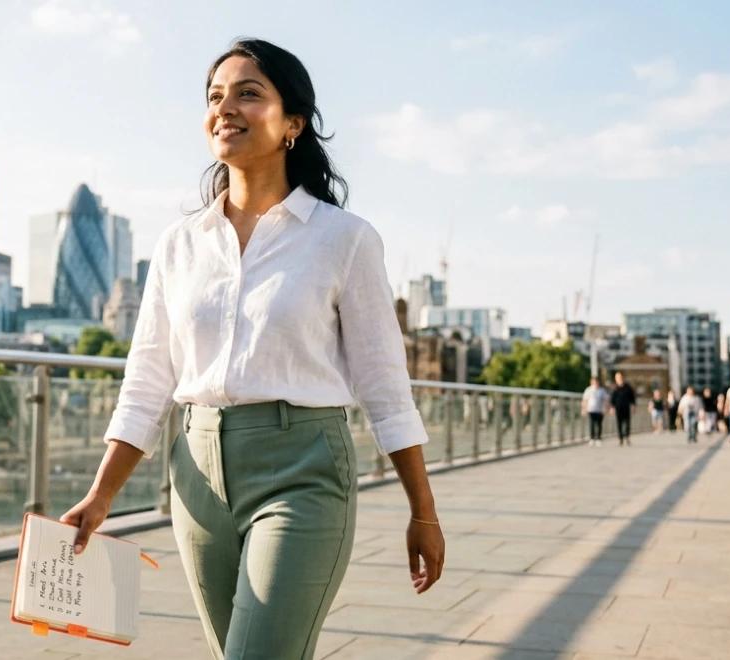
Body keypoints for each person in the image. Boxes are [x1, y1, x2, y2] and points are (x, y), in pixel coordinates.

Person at [57, 39, 444, 659]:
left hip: (304, 469)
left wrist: (422, 511)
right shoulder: (179, 244)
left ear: (294, 123)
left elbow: (385, 386)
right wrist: (101, 493)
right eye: (215, 96)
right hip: (197, 477)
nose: (225, 107)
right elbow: (148, 380)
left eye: (248, 93)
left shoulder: (344, 240)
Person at [610, 372, 636, 446]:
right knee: (619, 423)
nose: (619, 379)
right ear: (616, 379)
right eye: (617, 377)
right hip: (618, 408)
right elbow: (612, 399)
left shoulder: (628, 387)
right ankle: (620, 439)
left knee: (627, 423)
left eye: (620, 377)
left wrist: (633, 406)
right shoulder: (615, 388)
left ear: (622, 377)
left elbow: (632, 397)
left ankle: (627, 437)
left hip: (626, 407)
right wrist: (612, 408)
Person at [581, 376, 609, 446]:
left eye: (596, 382)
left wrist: (605, 408)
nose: (595, 383)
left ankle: (598, 438)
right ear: (591, 382)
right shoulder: (588, 390)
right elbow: (585, 400)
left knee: (599, 424)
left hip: (599, 410)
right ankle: (592, 438)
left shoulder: (601, 390)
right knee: (592, 424)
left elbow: (606, 400)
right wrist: (584, 409)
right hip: (591, 410)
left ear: (598, 382)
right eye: (593, 382)